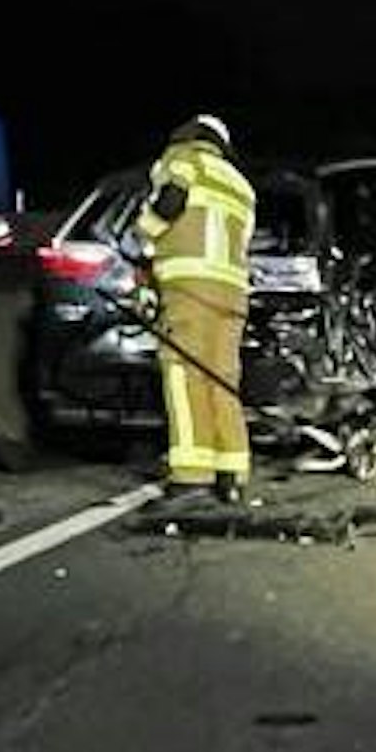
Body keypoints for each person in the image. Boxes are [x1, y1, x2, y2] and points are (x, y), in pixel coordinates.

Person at [134, 115, 257, 503]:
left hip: (189, 283)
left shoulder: (183, 158)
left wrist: (144, 235)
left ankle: (191, 476)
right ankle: (232, 472)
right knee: (222, 378)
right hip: (233, 291)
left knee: (184, 374)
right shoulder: (241, 184)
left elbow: (170, 201)